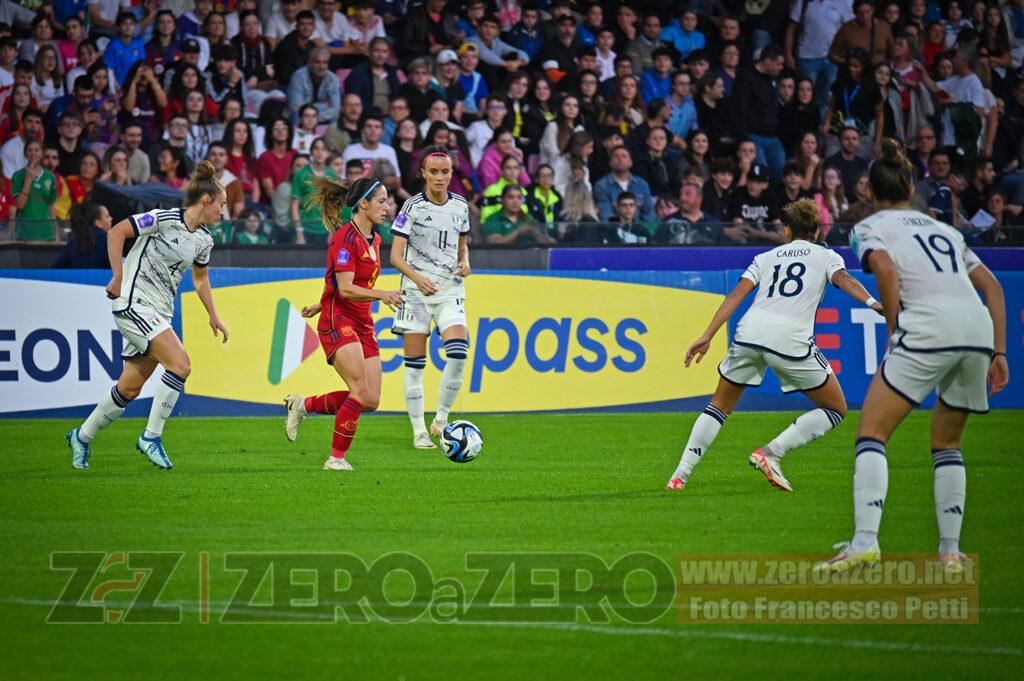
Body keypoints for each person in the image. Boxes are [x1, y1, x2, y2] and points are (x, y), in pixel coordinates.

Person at [816, 139, 1008, 575]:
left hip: (928, 326)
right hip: (977, 328)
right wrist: (999, 351)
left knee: (871, 434)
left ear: (870, 192)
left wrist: (893, 328)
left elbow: (883, 269)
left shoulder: (870, 225)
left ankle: (865, 542)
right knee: (947, 444)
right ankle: (950, 552)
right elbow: (994, 288)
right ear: (911, 188)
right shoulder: (945, 230)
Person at [666, 197, 884, 492]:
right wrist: (872, 302)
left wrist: (708, 334)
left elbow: (736, 295)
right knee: (835, 409)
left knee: (718, 407)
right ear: (817, 233)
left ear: (787, 231)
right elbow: (845, 280)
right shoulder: (826, 256)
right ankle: (771, 453)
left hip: (749, 333)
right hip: (790, 340)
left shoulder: (766, 258)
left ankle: (679, 476)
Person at [64, 161, 230, 470]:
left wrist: (213, 315)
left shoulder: (205, 240)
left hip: (159, 312)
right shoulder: (164, 219)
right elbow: (116, 232)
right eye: (222, 204)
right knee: (181, 365)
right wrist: (116, 276)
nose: (223, 212)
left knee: (128, 389)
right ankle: (151, 437)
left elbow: (201, 279)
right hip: (134, 303)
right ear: (206, 200)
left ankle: (81, 436)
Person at [282, 176, 405, 471]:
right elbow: (346, 288)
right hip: (339, 320)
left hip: (362, 321)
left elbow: (341, 284)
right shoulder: (344, 240)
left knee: (371, 400)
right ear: (363, 204)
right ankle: (336, 458)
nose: (387, 207)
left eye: (387, 201)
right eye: (381, 201)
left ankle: (302, 405)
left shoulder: (375, 238)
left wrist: (320, 300)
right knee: (359, 389)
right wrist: (382, 294)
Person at [387, 148, 472, 448]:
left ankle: (441, 420)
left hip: (449, 290)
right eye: (433, 172)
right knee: (415, 365)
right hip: (415, 294)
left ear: (451, 174)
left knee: (459, 354)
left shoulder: (461, 206)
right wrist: (417, 278)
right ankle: (419, 431)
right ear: (423, 173)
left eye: (444, 172)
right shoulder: (411, 207)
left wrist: (466, 261)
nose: (439, 177)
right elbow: (395, 257)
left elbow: (463, 245)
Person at [7, 139, 58, 242]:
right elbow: (20, 204)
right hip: (25, 232)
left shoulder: (50, 177)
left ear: (43, 153)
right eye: (30, 150)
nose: (33, 153)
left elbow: (51, 206)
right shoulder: (18, 176)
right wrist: (28, 179)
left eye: (37, 150)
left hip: (46, 232)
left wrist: (56, 234)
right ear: (25, 154)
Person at [53, 202, 112, 269]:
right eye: (107, 216)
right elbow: (116, 270)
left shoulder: (73, 241)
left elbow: (56, 268)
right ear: (98, 223)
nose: (111, 218)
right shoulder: (106, 240)